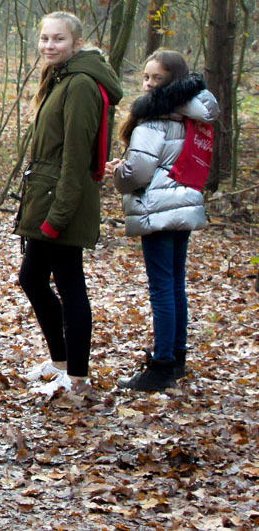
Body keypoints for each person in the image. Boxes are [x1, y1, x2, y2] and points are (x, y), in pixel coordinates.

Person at [15, 11, 122, 397]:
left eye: (58, 39)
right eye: (44, 38)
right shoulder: (59, 78)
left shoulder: (79, 84)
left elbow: (77, 158)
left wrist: (57, 216)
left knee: (70, 283)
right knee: (32, 279)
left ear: (76, 43)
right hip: (47, 196)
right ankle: (61, 362)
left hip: (63, 200)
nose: (49, 46)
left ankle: (77, 376)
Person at [109, 50, 218, 391]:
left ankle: (162, 365)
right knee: (175, 284)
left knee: (162, 287)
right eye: (146, 77)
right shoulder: (194, 119)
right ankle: (176, 355)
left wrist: (118, 173)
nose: (149, 84)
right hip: (183, 205)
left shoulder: (154, 119)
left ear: (173, 83)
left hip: (157, 208)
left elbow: (138, 172)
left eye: (157, 79)